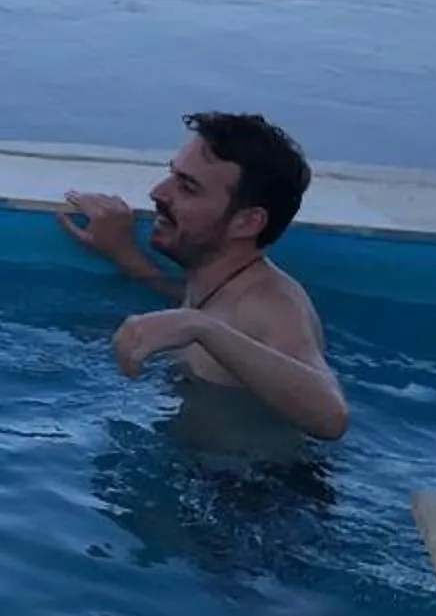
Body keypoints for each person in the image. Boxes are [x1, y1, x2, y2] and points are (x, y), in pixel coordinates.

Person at [58, 110, 349, 443]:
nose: (158, 192)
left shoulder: (272, 303)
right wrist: (127, 257)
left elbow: (331, 417)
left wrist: (198, 326)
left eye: (187, 188)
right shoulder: (222, 287)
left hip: (256, 477)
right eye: (171, 175)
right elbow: (210, 309)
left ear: (247, 222)